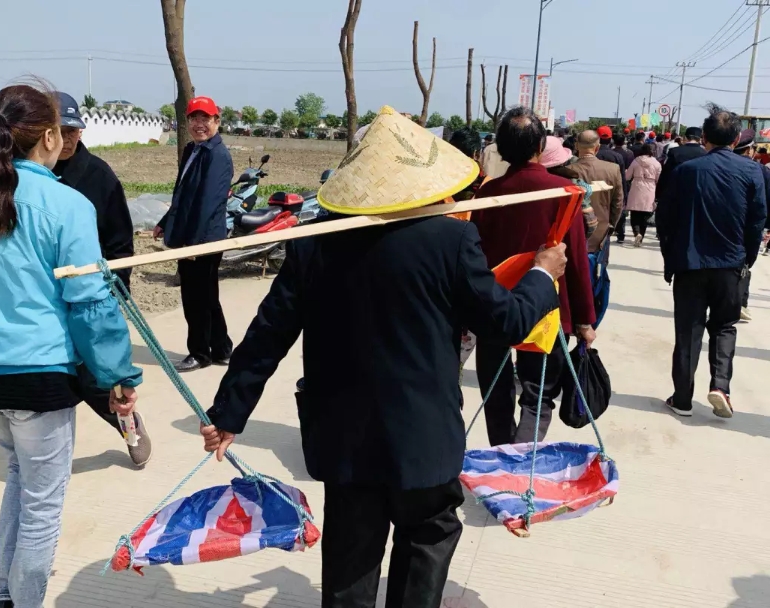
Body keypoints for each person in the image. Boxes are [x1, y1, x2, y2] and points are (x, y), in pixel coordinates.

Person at [199, 107, 566, 608]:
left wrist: (228, 413)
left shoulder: (316, 243)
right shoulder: (450, 240)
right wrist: (543, 273)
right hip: (423, 437)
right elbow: (507, 322)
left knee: (351, 558)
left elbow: (267, 335)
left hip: (347, 440)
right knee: (427, 540)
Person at [0, 84, 142, 608]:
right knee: (42, 505)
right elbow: (91, 304)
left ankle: (3, 594)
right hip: (38, 378)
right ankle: (22, 601)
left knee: (21, 477)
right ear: (49, 136)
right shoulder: (66, 205)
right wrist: (116, 377)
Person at [472, 107, 596, 447]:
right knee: (538, 391)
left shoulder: (487, 192)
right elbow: (577, 261)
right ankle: (523, 457)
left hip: (494, 302)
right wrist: (584, 318)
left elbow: (474, 252)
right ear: (541, 145)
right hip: (548, 305)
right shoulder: (562, 191)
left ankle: (503, 451)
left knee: (495, 391)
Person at [52, 92, 151, 467]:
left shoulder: (98, 176)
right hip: (46, 299)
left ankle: (127, 422)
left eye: (73, 130)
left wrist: (113, 294)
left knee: (97, 378)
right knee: (58, 378)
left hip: (90, 295)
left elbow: (120, 242)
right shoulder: (22, 176)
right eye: (61, 130)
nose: (68, 138)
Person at [656, 105, 767, 419]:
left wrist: (670, 257)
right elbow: (757, 219)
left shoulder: (686, 171)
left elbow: (665, 219)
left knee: (688, 331)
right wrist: (746, 258)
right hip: (730, 263)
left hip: (690, 264)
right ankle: (720, 386)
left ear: (704, 137)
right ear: (735, 139)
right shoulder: (752, 171)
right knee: (725, 326)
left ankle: (682, 399)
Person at [154, 96, 234, 373]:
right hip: (191, 234)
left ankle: (200, 353)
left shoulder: (217, 155)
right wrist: (166, 220)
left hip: (203, 238)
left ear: (217, 121)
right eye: (194, 118)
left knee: (195, 296)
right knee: (207, 295)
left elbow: (209, 203)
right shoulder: (193, 150)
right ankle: (222, 348)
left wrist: (194, 245)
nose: (199, 124)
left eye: (205, 118)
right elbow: (184, 193)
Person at [733, 129, 770, 321]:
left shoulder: (722, 166)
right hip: (749, 226)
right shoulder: (761, 171)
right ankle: (740, 302)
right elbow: (765, 204)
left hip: (726, 225)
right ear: (749, 150)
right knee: (745, 263)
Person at [570, 130, 625, 258]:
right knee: (598, 272)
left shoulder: (567, 171)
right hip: (602, 232)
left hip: (575, 234)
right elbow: (618, 203)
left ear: (576, 146)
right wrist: (611, 225)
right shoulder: (613, 169)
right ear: (597, 147)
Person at [625, 143, 662, 246]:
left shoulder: (636, 161)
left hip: (636, 187)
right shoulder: (656, 163)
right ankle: (641, 236)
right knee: (645, 216)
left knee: (635, 213)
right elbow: (659, 179)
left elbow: (628, 176)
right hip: (650, 188)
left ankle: (636, 233)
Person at [656, 126, 706, 201]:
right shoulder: (705, 153)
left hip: (675, 193)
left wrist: (659, 193)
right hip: (696, 194)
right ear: (700, 139)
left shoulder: (674, 151)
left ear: (685, 137)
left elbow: (666, 174)